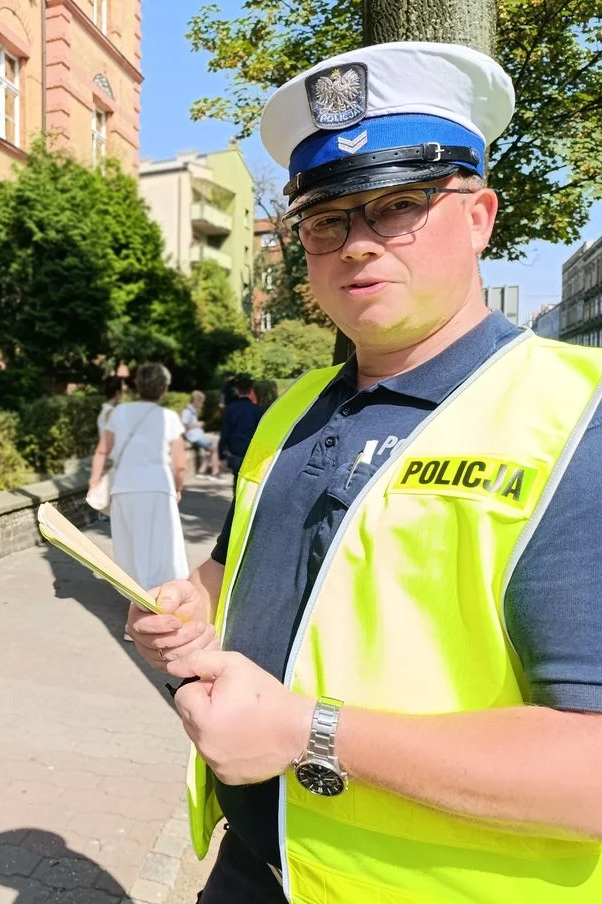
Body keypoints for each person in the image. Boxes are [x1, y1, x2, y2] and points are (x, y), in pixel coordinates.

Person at [125, 43, 602, 903]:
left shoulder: (578, 421)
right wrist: (185, 606)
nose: (356, 246)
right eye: (327, 221)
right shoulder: (293, 409)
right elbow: (235, 571)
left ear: (481, 216)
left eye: (398, 206)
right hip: (253, 873)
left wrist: (308, 733)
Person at [89, 363, 189, 593]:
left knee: (130, 549)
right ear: (164, 389)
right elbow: (181, 465)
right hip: (158, 489)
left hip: (124, 487)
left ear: (137, 386)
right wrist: (177, 488)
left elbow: (102, 451)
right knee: (163, 550)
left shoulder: (120, 412)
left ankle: (136, 599)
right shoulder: (169, 417)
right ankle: (162, 599)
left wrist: (94, 482)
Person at [217, 375, 263, 484]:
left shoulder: (230, 409)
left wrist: (221, 453)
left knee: (236, 480)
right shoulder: (257, 410)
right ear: (251, 390)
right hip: (251, 450)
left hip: (235, 450)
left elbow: (225, 432)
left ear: (237, 390)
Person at [181, 390, 220, 479]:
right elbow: (183, 426)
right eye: (201, 402)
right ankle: (215, 472)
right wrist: (197, 425)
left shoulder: (192, 411)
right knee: (213, 448)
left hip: (196, 436)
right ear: (196, 400)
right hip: (193, 437)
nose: (201, 404)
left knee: (209, 451)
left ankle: (201, 472)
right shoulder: (187, 412)